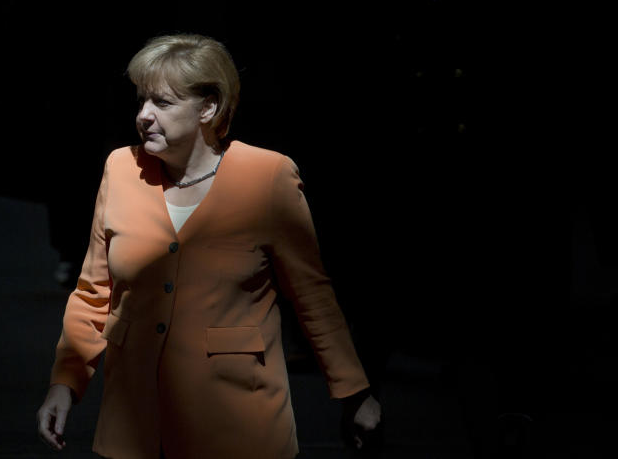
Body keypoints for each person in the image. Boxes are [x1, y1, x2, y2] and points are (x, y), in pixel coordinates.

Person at [36, 34, 381, 458]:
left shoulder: (267, 177)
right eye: (141, 100)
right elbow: (93, 293)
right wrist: (64, 384)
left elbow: (313, 296)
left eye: (162, 103)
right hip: (136, 428)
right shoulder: (121, 169)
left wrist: (354, 392)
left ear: (208, 107)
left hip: (239, 426)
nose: (143, 115)